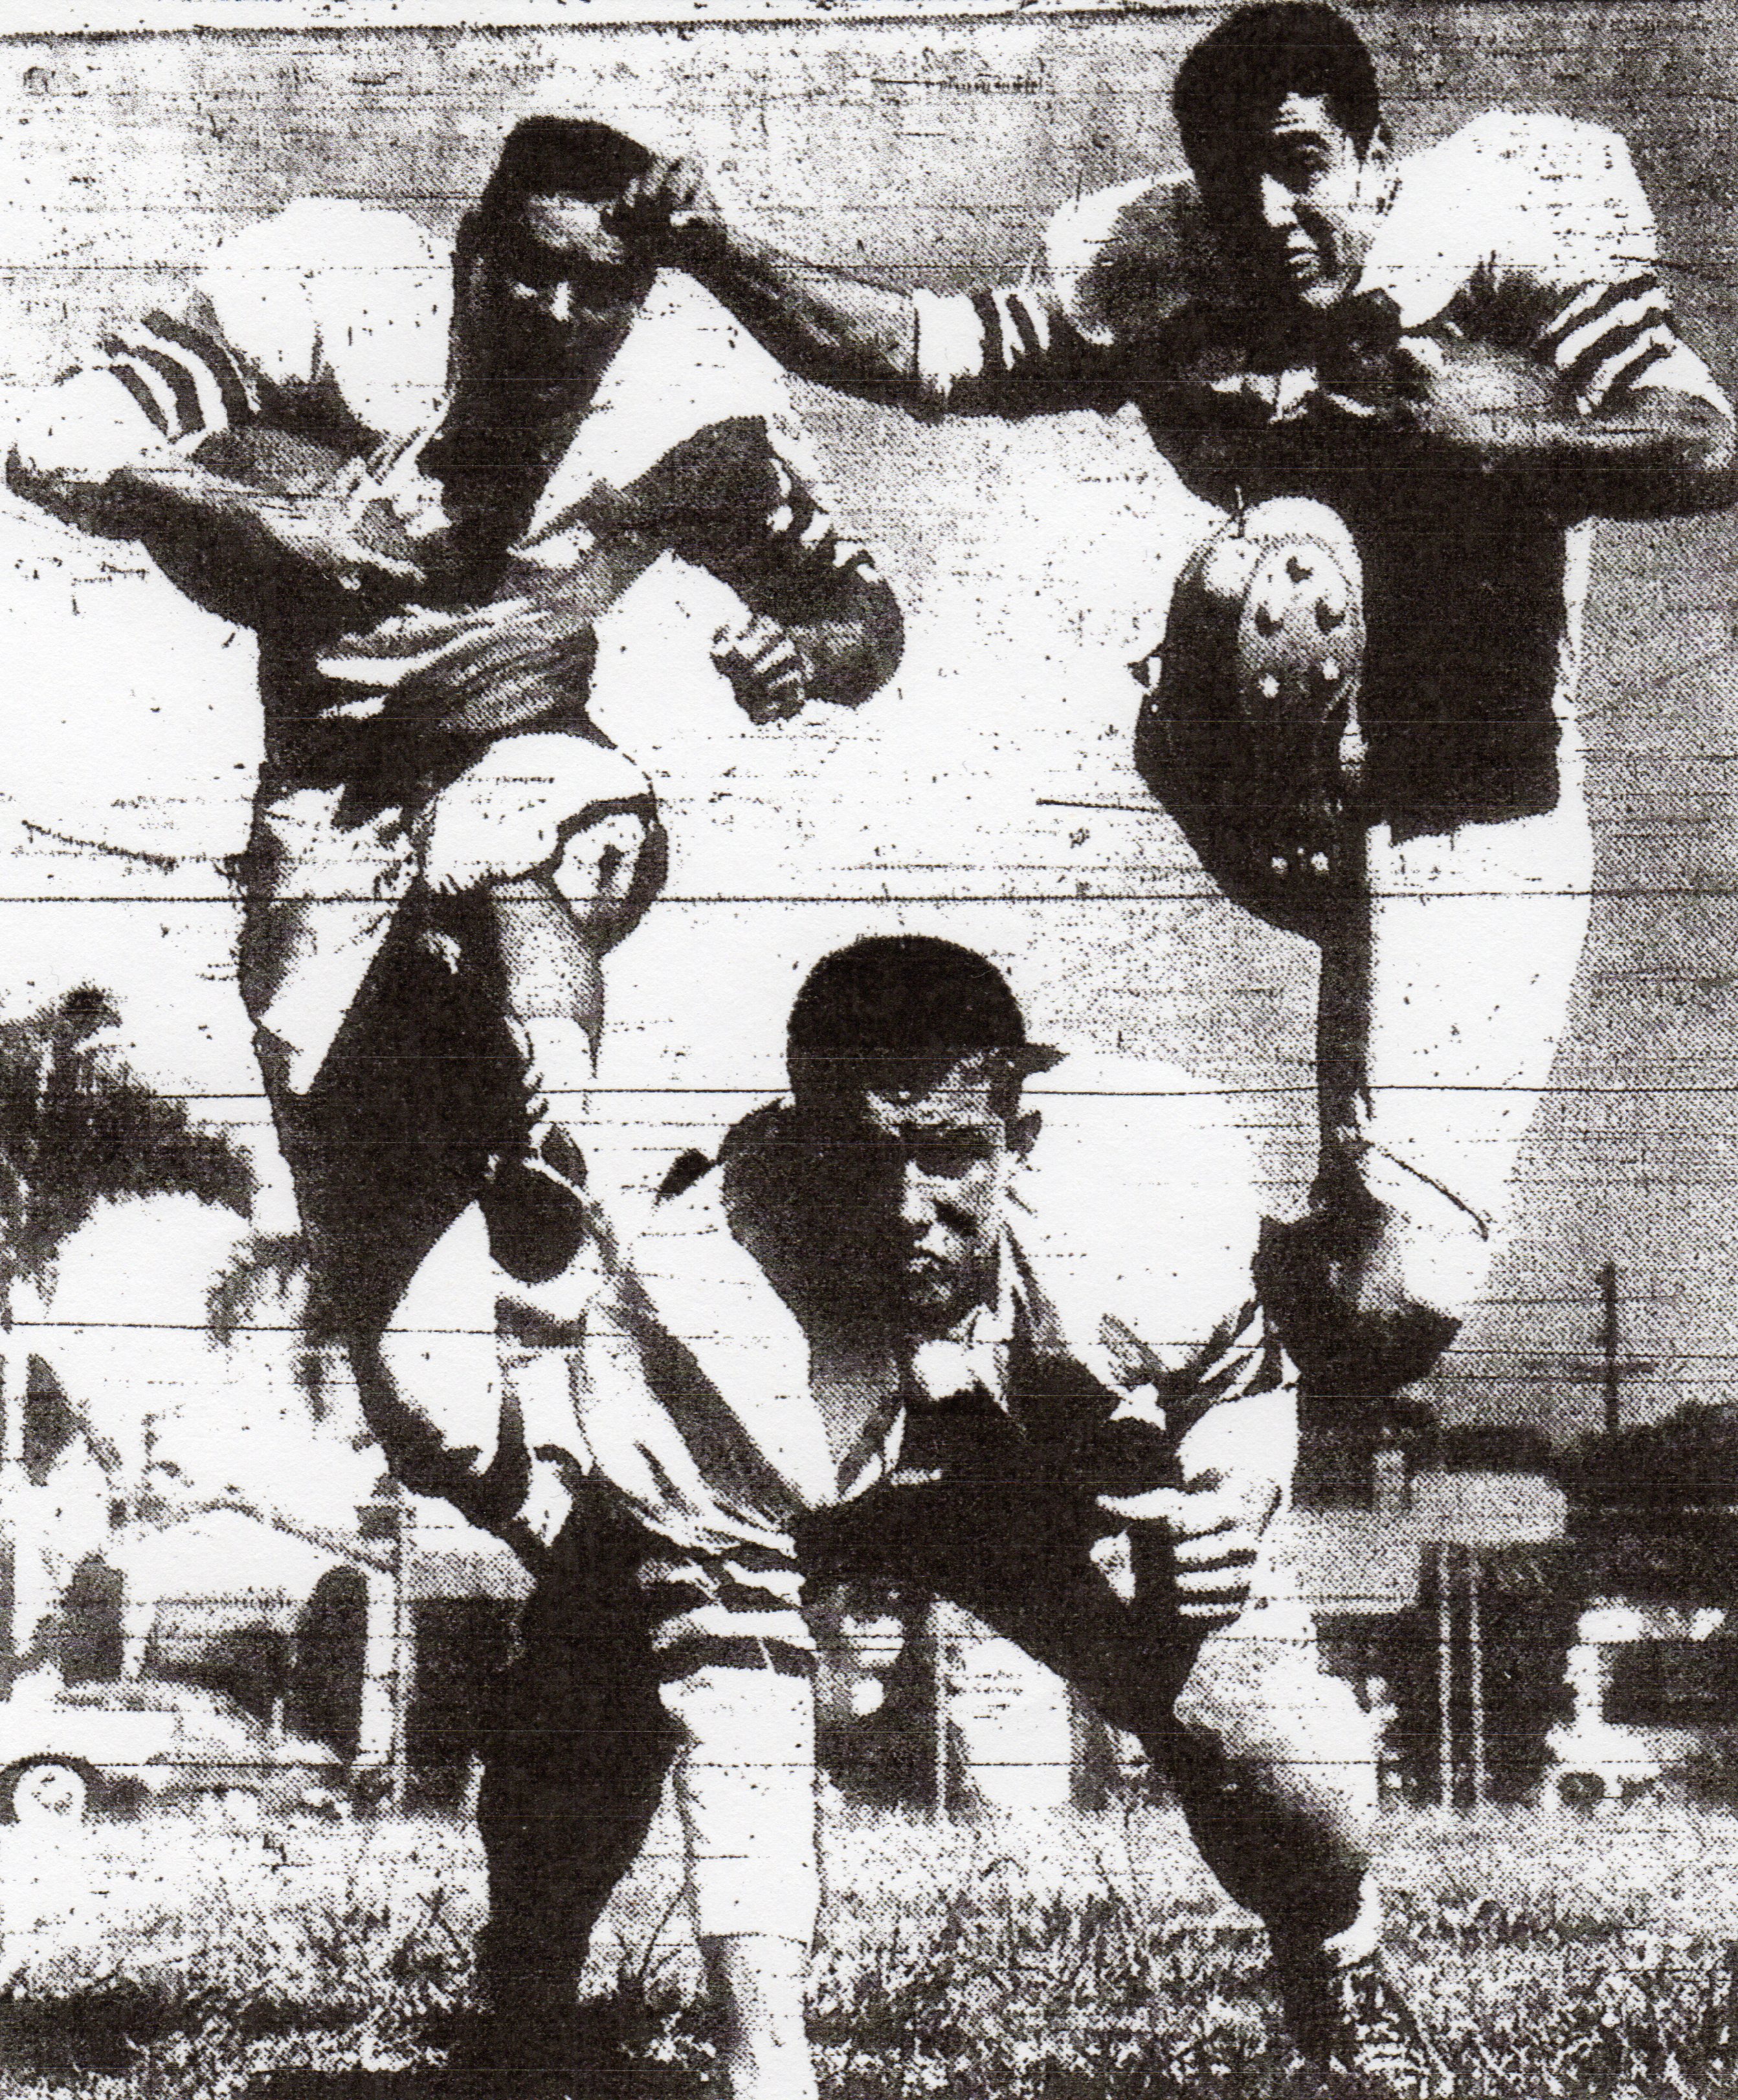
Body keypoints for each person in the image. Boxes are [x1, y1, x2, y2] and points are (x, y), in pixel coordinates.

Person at [604, 5, 1736, 1455]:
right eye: (1229, 181)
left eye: (1301, 167)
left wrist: (1501, 443)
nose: (1267, 216)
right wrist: (716, 248)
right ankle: (883, 1219)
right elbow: (915, 350)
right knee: (1287, 558)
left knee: (1388, 1304)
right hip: (1275, 772)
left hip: (1478, 796)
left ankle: (1059, 1306)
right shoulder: (1167, 280)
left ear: (1375, 157)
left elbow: (1700, 443)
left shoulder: (1497, 236)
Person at [6, 117, 903, 1535]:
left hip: (533, 756)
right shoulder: (331, 304)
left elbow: (861, 607)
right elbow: (47, 433)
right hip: (327, 816)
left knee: (507, 830)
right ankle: (574, 1541)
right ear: (468, 258)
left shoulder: (687, 413)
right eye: (524, 275)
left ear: (641, 298)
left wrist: (810, 656)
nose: (556, 315)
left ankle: (558, 1125)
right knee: (421, 1406)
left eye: (599, 289)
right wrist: (246, 516)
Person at [476, 936, 1425, 2096]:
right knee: (579, 1697)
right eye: (861, 1158)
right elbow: (746, 1733)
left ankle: (1338, 1961)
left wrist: (1232, 1501)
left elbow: (1242, 1384)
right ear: (795, 1135)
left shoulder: (1132, 1207)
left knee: (1288, 1748)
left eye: (947, 1156)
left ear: (1018, 1139)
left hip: (1029, 1489)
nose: (904, 1208)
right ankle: (524, 1995)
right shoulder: (703, 1289)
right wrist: (765, 2069)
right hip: (771, 1483)